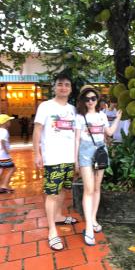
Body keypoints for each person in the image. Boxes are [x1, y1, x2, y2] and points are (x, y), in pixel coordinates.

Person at [33, 73, 76, 252]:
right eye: (60, 84)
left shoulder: (73, 109)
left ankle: (58, 216)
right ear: (54, 87)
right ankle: (52, 231)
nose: (63, 87)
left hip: (69, 158)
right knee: (52, 193)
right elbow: (37, 130)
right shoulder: (45, 106)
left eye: (67, 84)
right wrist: (37, 153)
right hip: (52, 158)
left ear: (71, 88)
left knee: (63, 190)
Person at [74, 85, 122, 246]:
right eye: (87, 99)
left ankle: (93, 219)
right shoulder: (80, 117)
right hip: (85, 152)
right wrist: (76, 161)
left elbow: (108, 133)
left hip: (100, 150)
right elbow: (77, 140)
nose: (90, 101)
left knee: (96, 188)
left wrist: (117, 118)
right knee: (88, 189)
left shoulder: (101, 116)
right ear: (83, 100)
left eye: (93, 98)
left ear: (97, 99)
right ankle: (88, 227)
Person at [0, 114, 16, 193]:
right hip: (3, 155)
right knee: (12, 168)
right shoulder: (4, 131)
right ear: (5, 122)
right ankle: (4, 186)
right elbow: (2, 141)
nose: (10, 122)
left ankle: (3, 186)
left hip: (1, 155)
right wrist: (6, 150)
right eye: (9, 121)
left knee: (1, 169)